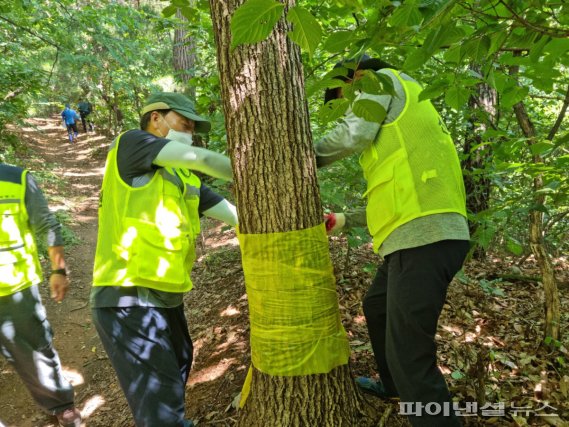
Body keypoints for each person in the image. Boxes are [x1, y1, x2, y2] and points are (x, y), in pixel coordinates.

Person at [316, 56, 470, 427]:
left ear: (356, 77)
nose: (347, 109)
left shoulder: (379, 80)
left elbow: (353, 134)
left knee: (410, 355)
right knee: (377, 306)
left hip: (423, 238)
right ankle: (392, 384)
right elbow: (397, 190)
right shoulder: (403, 110)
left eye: (342, 97)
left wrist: (300, 156)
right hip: (416, 235)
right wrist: (344, 220)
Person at [91, 92, 238, 427]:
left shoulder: (183, 177)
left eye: (192, 128)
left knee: (178, 370)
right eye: (183, 123)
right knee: (162, 406)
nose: (189, 131)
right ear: (156, 118)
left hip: (166, 298)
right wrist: (260, 167)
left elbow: (236, 216)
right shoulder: (133, 143)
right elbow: (201, 158)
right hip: (127, 295)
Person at [0, 163, 82, 427]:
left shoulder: (16, 178)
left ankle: (60, 403)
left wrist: (58, 269)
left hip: (15, 289)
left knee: (35, 350)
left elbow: (45, 224)